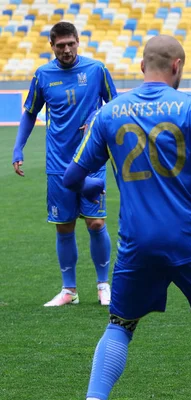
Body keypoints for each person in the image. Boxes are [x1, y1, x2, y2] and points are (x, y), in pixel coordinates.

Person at [56, 35, 191, 400]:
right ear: (177, 66)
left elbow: (72, 177)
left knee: (121, 326)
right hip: (190, 239)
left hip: (137, 243)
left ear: (143, 66)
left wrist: (94, 185)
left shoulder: (110, 113)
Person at [12, 21, 117, 307]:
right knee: (64, 226)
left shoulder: (97, 70)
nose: (67, 50)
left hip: (90, 159)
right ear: (52, 46)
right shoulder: (43, 75)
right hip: (58, 163)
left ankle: (103, 285)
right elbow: (30, 112)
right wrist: (18, 147)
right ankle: (69, 290)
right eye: (61, 46)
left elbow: (115, 105)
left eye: (71, 44)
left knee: (96, 224)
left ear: (78, 42)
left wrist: (96, 119)